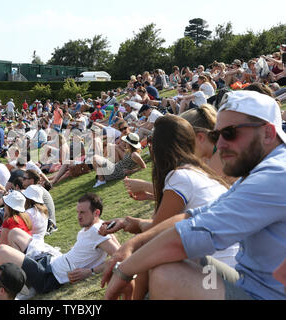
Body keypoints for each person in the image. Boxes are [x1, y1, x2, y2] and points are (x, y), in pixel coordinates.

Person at [103, 90, 286, 300]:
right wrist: (132, 244)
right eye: (217, 135)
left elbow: (188, 235)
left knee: (167, 274)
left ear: (268, 133)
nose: (221, 144)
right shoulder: (260, 171)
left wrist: (125, 270)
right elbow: (193, 216)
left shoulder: (276, 175)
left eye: (230, 133)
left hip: (267, 293)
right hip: (251, 283)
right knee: (164, 261)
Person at [100, 114, 236, 300]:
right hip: (229, 271)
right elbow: (168, 226)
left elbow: (156, 237)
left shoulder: (179, 177)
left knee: (155, 262)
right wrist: (130, 222)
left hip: (217, 278)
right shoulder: (203, 173)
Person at [0, 193, 120, 296]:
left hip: (50, 276)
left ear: (96, 213)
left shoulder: (96, 231)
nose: (78, 216)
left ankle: (22, 286)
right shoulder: (95, 227)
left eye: (83, 213)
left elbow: (120, 256)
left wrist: (90, 271)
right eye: (78, 212)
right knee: (15, 233)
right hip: (52, 260)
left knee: (0, 250)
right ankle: (24, 281)